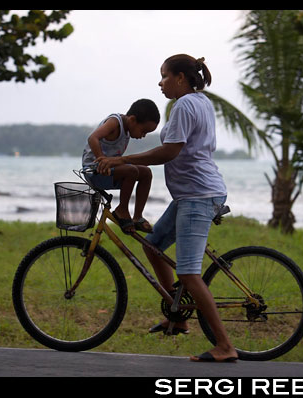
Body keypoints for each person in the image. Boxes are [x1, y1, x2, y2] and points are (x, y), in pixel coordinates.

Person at [97, 54, 238, 362]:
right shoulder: (200, 101)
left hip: (198, 195)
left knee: (188, 273)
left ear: (180, 78)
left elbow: (170, 152)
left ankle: (225, 346)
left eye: (164, 76)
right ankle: (178, 315)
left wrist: (122, 159)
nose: (160, 82)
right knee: (154, 245)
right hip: (193, 193)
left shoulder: (185, 105)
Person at [83, 99, 160, 233]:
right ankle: (122, 209)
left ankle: (137, 217)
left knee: (146, 173)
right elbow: (92, 138)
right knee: (131, 170)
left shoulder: (128, 128)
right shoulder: (115, 122)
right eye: (143, 131)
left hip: (111, 171)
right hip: (94, 171)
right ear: (132, 120)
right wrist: (101, 159)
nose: (143, 136)